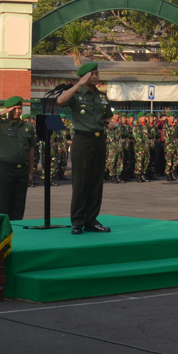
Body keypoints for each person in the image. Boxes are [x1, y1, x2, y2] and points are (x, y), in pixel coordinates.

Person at [57, 62, 114, 235]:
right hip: (82, 140)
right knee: (81, 183)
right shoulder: (77, 93)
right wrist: (79, 84)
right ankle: (77, 221)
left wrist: (110, 124)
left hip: (99, 140)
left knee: (96, 182)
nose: (97, 76)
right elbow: (60, 101)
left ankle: (91, 220)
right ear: (85, 76)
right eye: (93, 74)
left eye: (97, 73)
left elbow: (106, 117)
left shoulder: (102, 97)